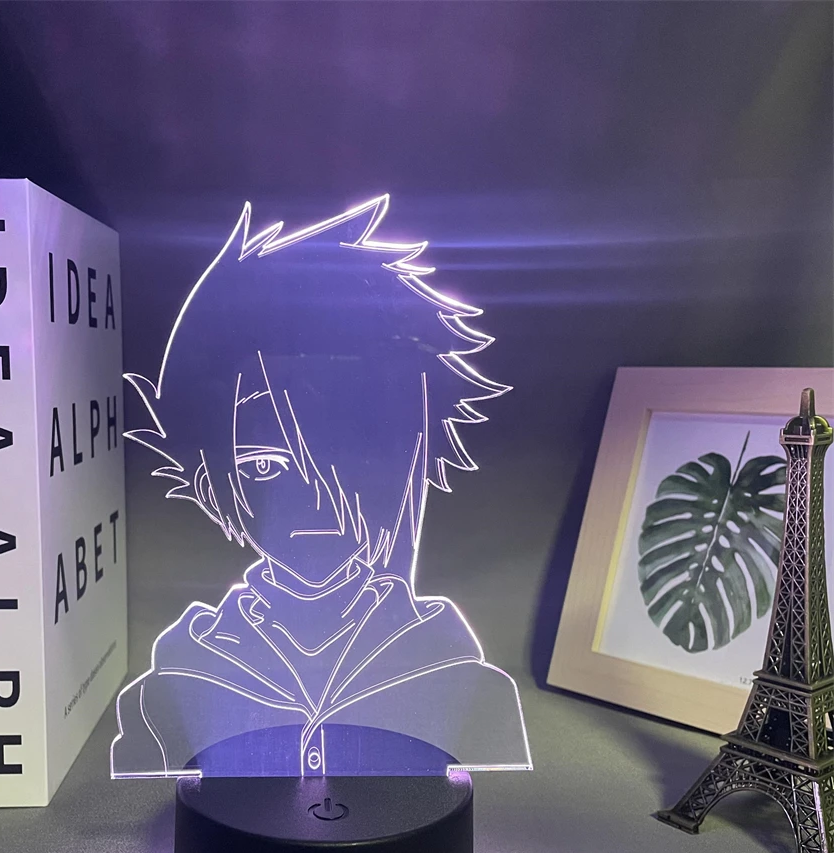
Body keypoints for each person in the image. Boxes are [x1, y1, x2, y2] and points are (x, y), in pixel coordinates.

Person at [111, 196, 530, 778]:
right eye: (264, 467)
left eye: (349, 462)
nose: (314, 504)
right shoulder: (177, 681)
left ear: (408, 456)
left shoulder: (464, 684)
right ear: (205, 477)